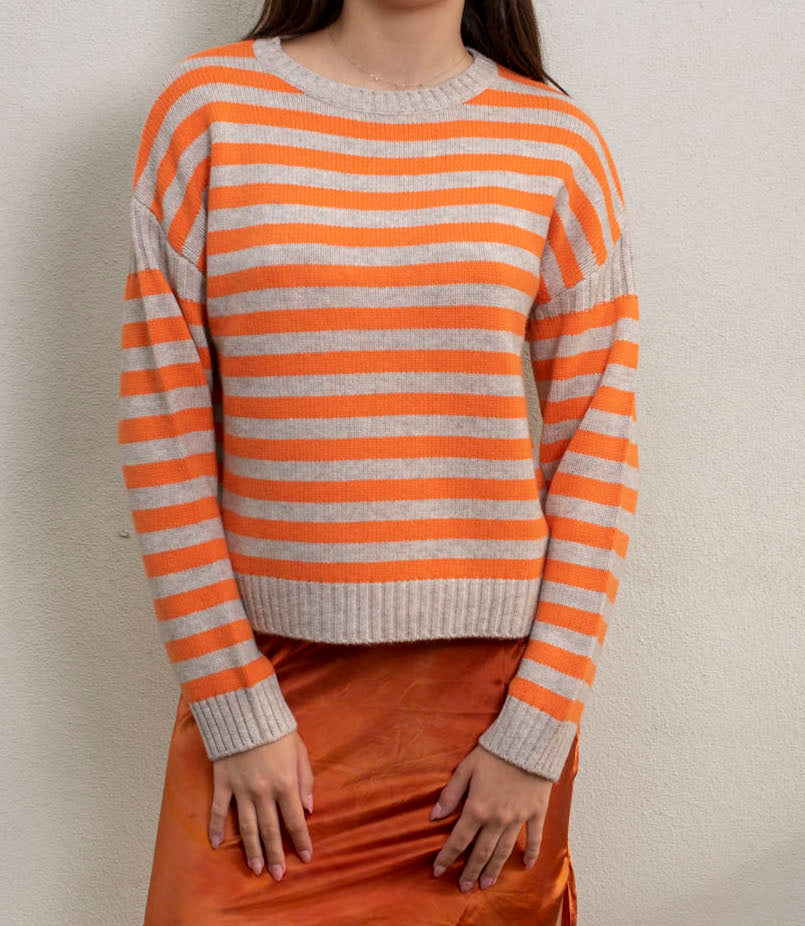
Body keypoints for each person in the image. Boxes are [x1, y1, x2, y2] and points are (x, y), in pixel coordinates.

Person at [117, 2, 640, 923]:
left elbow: (597, 449)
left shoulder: (555, 142)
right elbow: (162, 431)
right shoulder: (208, 112)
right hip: (264, 690)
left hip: (486, 724)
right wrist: (233, 705)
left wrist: (537, 728)